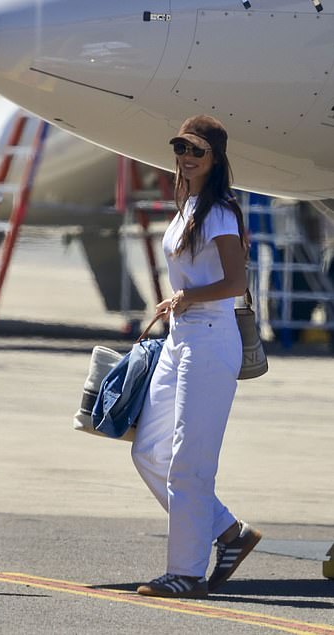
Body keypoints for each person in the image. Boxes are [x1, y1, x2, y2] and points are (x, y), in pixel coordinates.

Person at [131, 115, 261, 599]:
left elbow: (236, 283)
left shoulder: (220, 210)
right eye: (182, 148)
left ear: (215, 159)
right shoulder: (186, 206)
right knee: (148, 450)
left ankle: (185, 573)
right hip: (181, 336)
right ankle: (229, 532)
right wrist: (177, 301)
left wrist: (188, 297)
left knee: (190, 461)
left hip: (210, 339)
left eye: (197, 151)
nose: (187, 157)